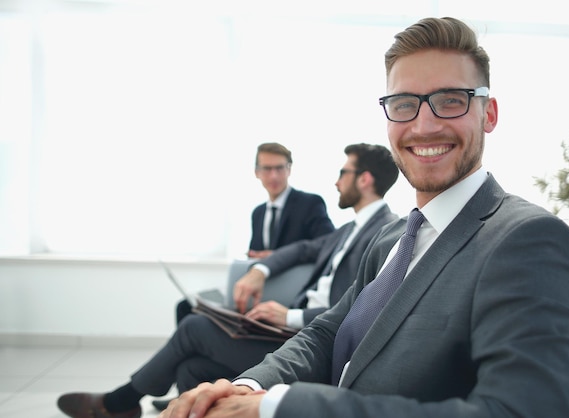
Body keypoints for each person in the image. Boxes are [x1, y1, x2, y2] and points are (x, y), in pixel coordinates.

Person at [157, 17, 569, 418]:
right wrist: (250, 386)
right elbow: (325, 334)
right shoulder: (393, 237)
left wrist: (275, 408)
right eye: (404, 104)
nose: (424, 125)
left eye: (450, 101)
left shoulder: (528, 240)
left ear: (488, 114)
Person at [56, 143, 400, 418]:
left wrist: (290, 316)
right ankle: (155, 401)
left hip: (307, 339)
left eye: (343, 172)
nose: (336, 180)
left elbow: (359, 310)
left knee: (194, 328)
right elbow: (300, 250)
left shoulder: (385, 232)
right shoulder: (348, 229)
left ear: (364, 179)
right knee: (193, 369)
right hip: (286, 328)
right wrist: (259, 270)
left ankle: (121, 402)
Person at [175, 142, 335, 324]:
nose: (274, 175)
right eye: (267, 169)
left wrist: (275, 257)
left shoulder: (309, 203)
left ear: (289, 170)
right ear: (256, 172)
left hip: (290, 291)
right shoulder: (258, 213)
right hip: (260, 289)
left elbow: (328, 245)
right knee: (187, 306)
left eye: (280, 168)